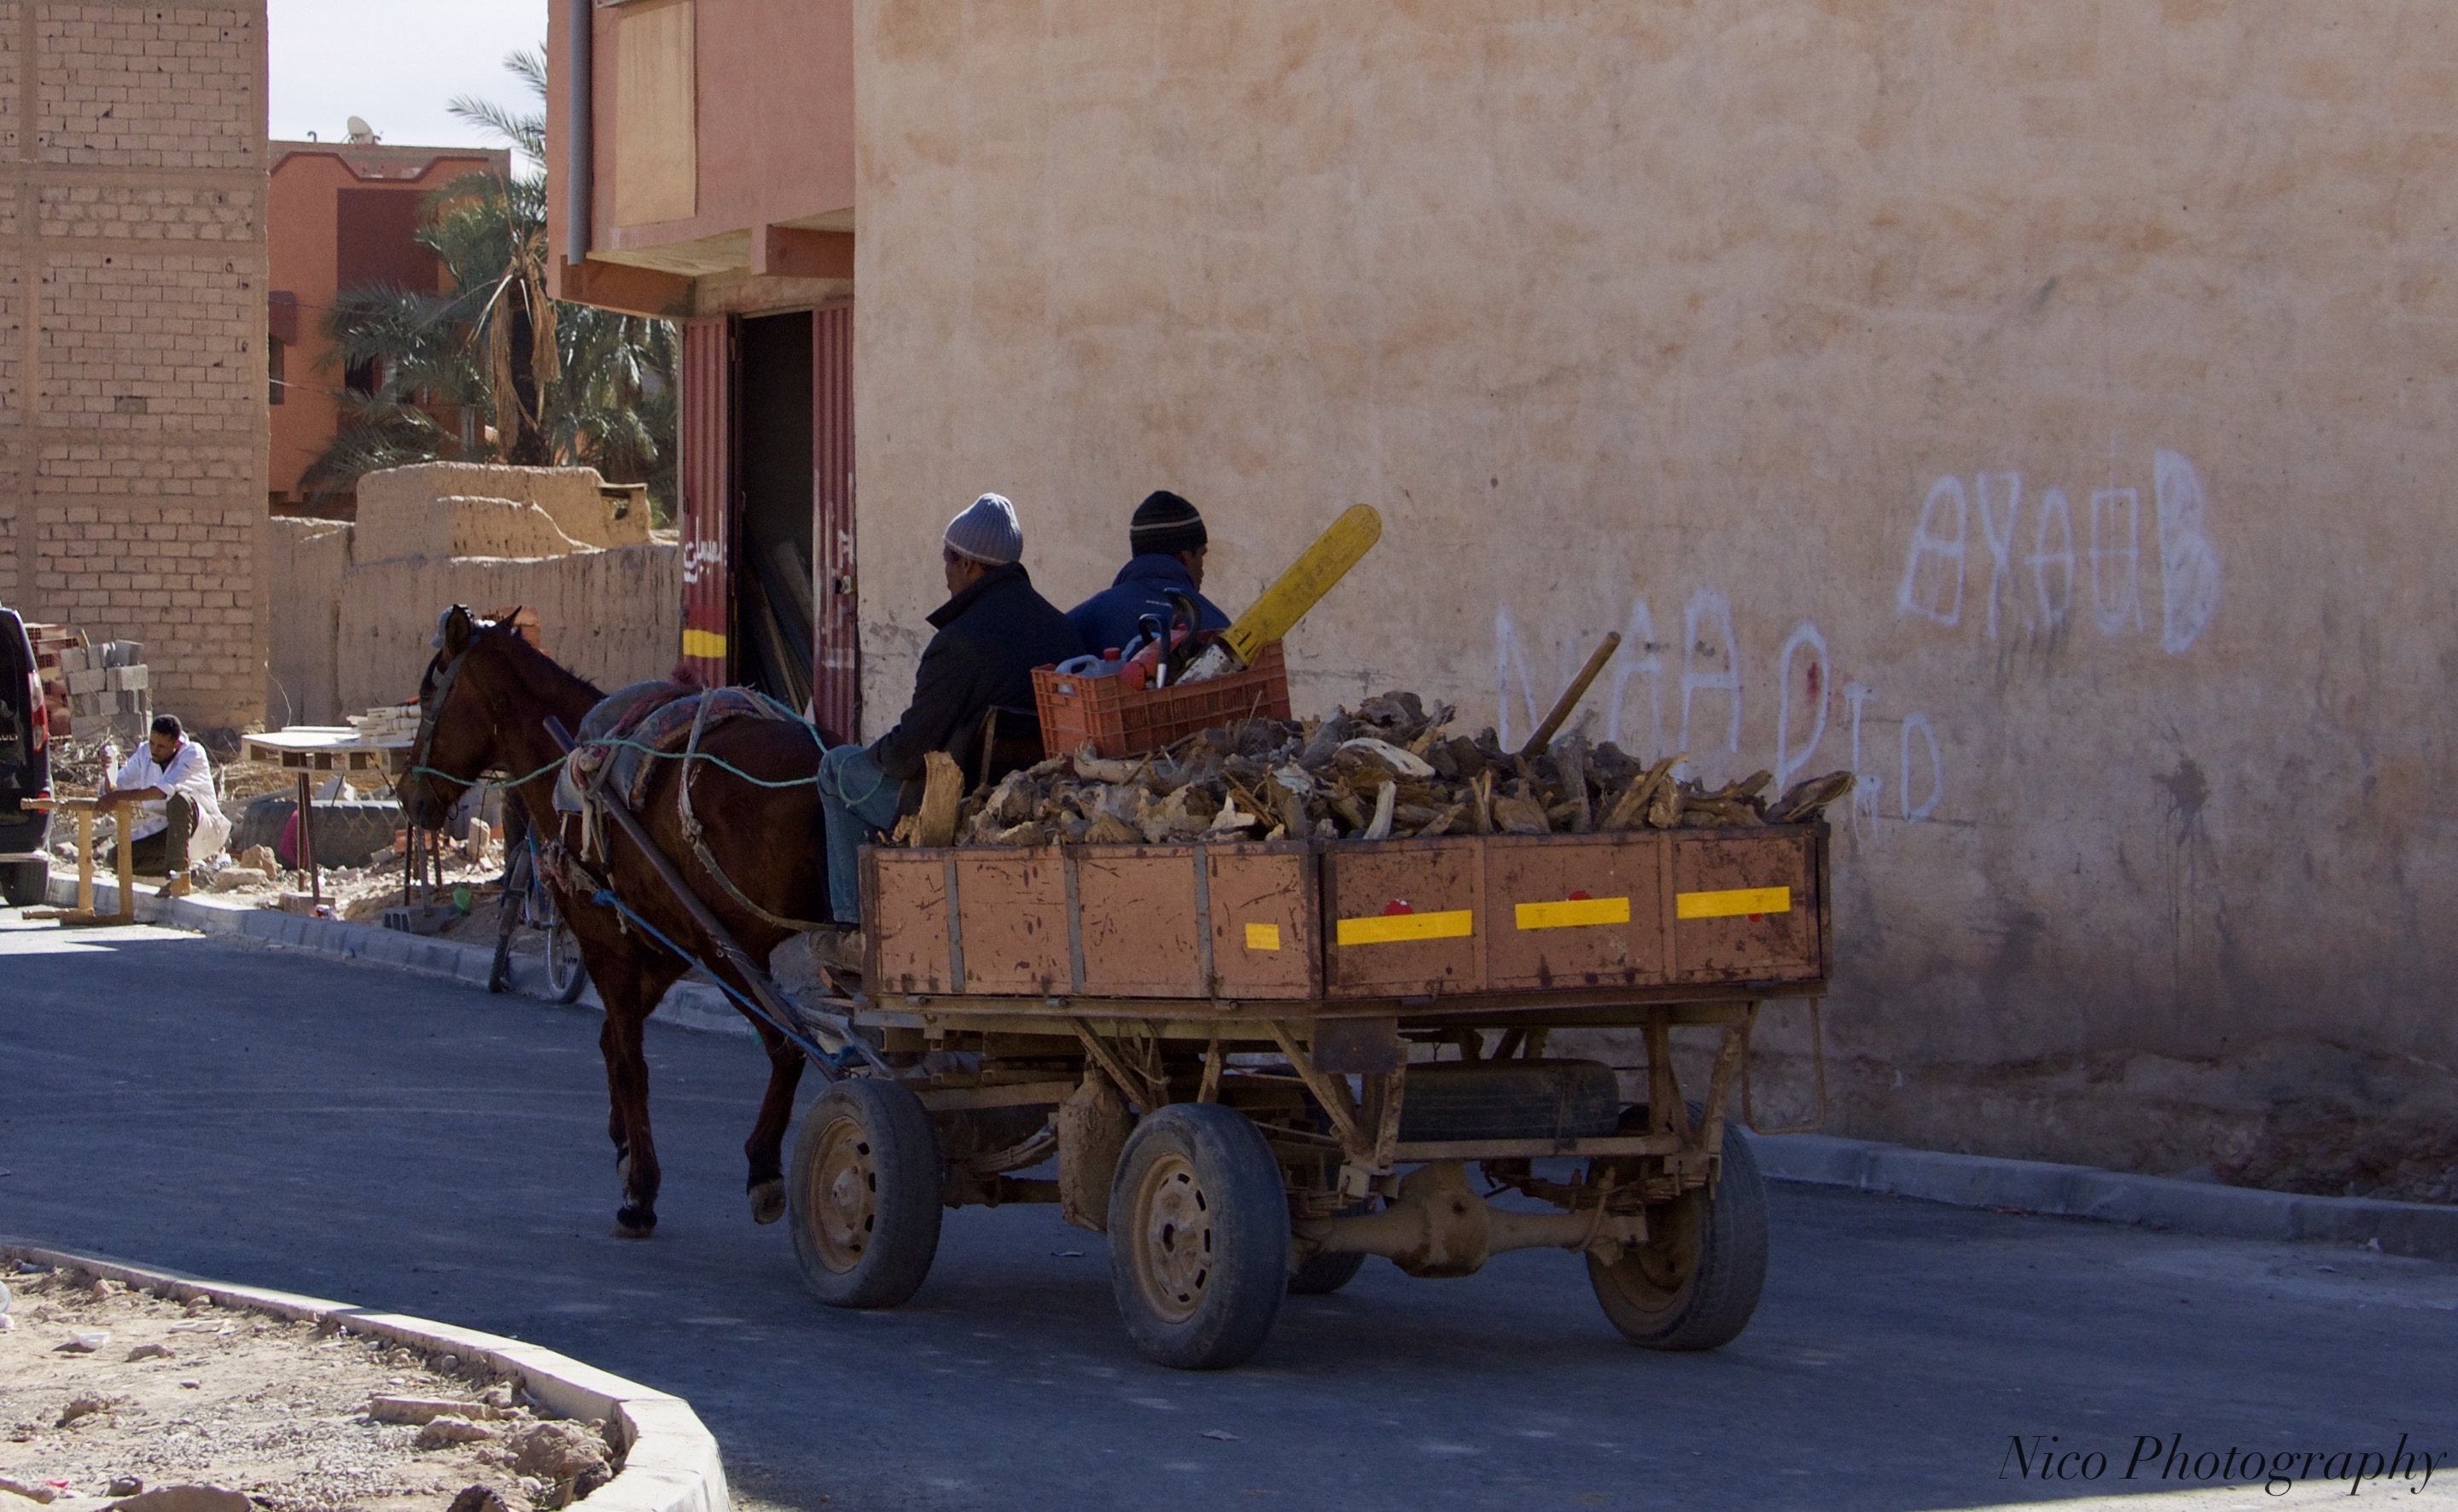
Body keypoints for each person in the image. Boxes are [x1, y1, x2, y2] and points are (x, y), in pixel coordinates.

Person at [814, 493, 1084, 942]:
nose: (945, 572)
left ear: (969, 565)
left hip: (959, 805)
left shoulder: (959, 642)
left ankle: (853, 927)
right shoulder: (1063, 629)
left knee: (836, 768)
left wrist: (874, 752)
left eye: (947, 559)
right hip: (1037, 798)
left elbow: (905, 757)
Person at [1066, 490, 1231, 654]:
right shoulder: (1217, 627)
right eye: (1201, 555)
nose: (1202, 570)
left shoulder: (1081, 619)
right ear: (1185, 556)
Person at [101, 714, 230, 888]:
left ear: (176, 744)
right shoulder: (145, 752)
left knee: (179, 799)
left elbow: (162, 791)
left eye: (161, 746)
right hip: (164, 829)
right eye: (152, 743)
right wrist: (109, 773)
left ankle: (179, 878)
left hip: (202, 829)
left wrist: (119, 796)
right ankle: (181, 871)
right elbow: (116, 788)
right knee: (117, 858)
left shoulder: (193, 754)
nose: (155, 750)